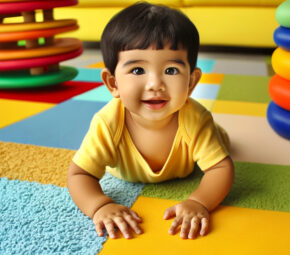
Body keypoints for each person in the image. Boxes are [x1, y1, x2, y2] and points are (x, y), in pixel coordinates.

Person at [67, 2, 234, 240]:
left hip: (200, 140)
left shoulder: (196, 120)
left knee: (222, 141)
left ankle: (220, 134)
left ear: (191, 82)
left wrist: (199, 202)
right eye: (137, 70)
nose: (155, 84)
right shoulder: (107, 122)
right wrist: (99, 205)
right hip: (124, 170)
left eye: (171, 70)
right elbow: (79, 175)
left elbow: (220, 168)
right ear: (113, 83)